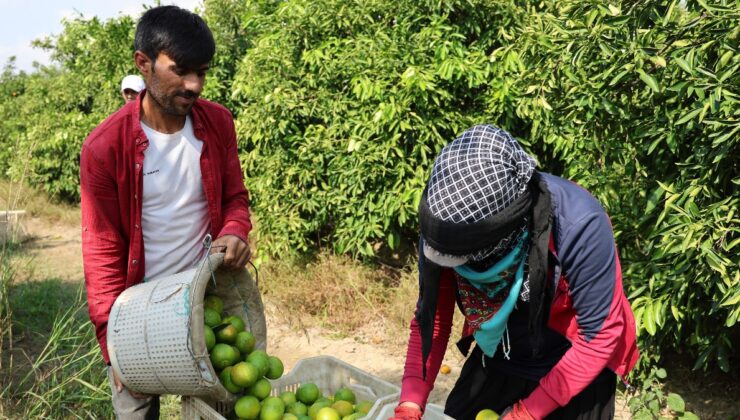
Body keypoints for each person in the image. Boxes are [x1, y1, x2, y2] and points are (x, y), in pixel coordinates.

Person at [390, 125, 638, 420]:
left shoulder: (578, 224)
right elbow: (433, 317)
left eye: (462, 259)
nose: (453, 263)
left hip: (572, 366)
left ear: (500, 235)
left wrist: (527, 413)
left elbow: (599, 336)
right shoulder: (445, 228)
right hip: (501, 351)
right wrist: (411, 400)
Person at [80, 6, 252, 419]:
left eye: (203, 72)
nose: (194, 84)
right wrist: (112, 349)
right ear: (144, 63)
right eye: (181, 70)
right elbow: (101, 252)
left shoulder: (218, 124)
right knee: (136, 413)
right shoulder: (105, 148)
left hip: (205, 304)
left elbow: (235, 198)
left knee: (220, 409)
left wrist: (234, 230)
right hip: (136, 315)